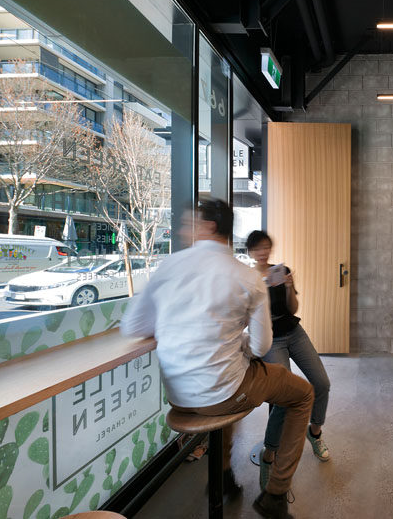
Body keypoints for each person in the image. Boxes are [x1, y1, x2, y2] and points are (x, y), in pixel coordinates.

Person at [121, 199, 311, 519]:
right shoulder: (246, 277)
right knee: (303, 394)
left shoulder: (169, 266)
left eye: (189, 222)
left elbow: (133, 326)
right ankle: (275, 495)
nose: (184, 228)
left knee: (231, 381)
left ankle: (222, 475)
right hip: (219, 393)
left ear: (209, 226)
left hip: (179, 396)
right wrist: (240, 345)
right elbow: (263, 345)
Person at [246, 230, 332, 490]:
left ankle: (314, 432)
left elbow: (293, 308)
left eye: (266, 247)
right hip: (270, 339)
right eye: (257, 248)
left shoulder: (281, 271)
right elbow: (245, 314)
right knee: (284, 395)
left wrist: (288, 286)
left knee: (321, 382)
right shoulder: (247, 278)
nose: (263, 252)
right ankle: (269, 455)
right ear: (250, 252)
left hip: (294, 332)